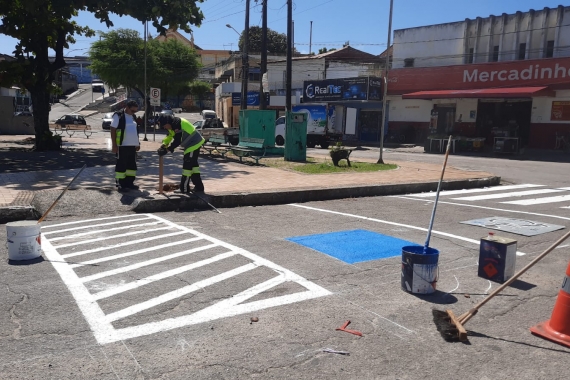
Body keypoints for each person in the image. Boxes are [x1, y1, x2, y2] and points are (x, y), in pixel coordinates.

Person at [157, 115, 205, 193]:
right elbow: (169, 136)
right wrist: (163, 145)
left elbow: (177, 141)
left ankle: (184, 189)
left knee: (187, 166)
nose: (164, 128)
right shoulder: (171, 125)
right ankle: (199, 187)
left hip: (193, 143)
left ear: (167, 122)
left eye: (164, 126)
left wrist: (167, 150)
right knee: (193, 167)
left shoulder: (177, 124)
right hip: (191, 144)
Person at [110, 100, 140, 192]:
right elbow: (113, 129)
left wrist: (137, 143)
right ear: (127, 107)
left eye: (135, 111)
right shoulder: (118, 115)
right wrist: (114, 145)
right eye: (132, 110)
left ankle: (129, 183)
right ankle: (121, 184)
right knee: (121, 165)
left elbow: (135, 131)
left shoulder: (133, 117)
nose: (134, 113)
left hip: (132, 146)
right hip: (122, 146)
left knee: (131, 166)